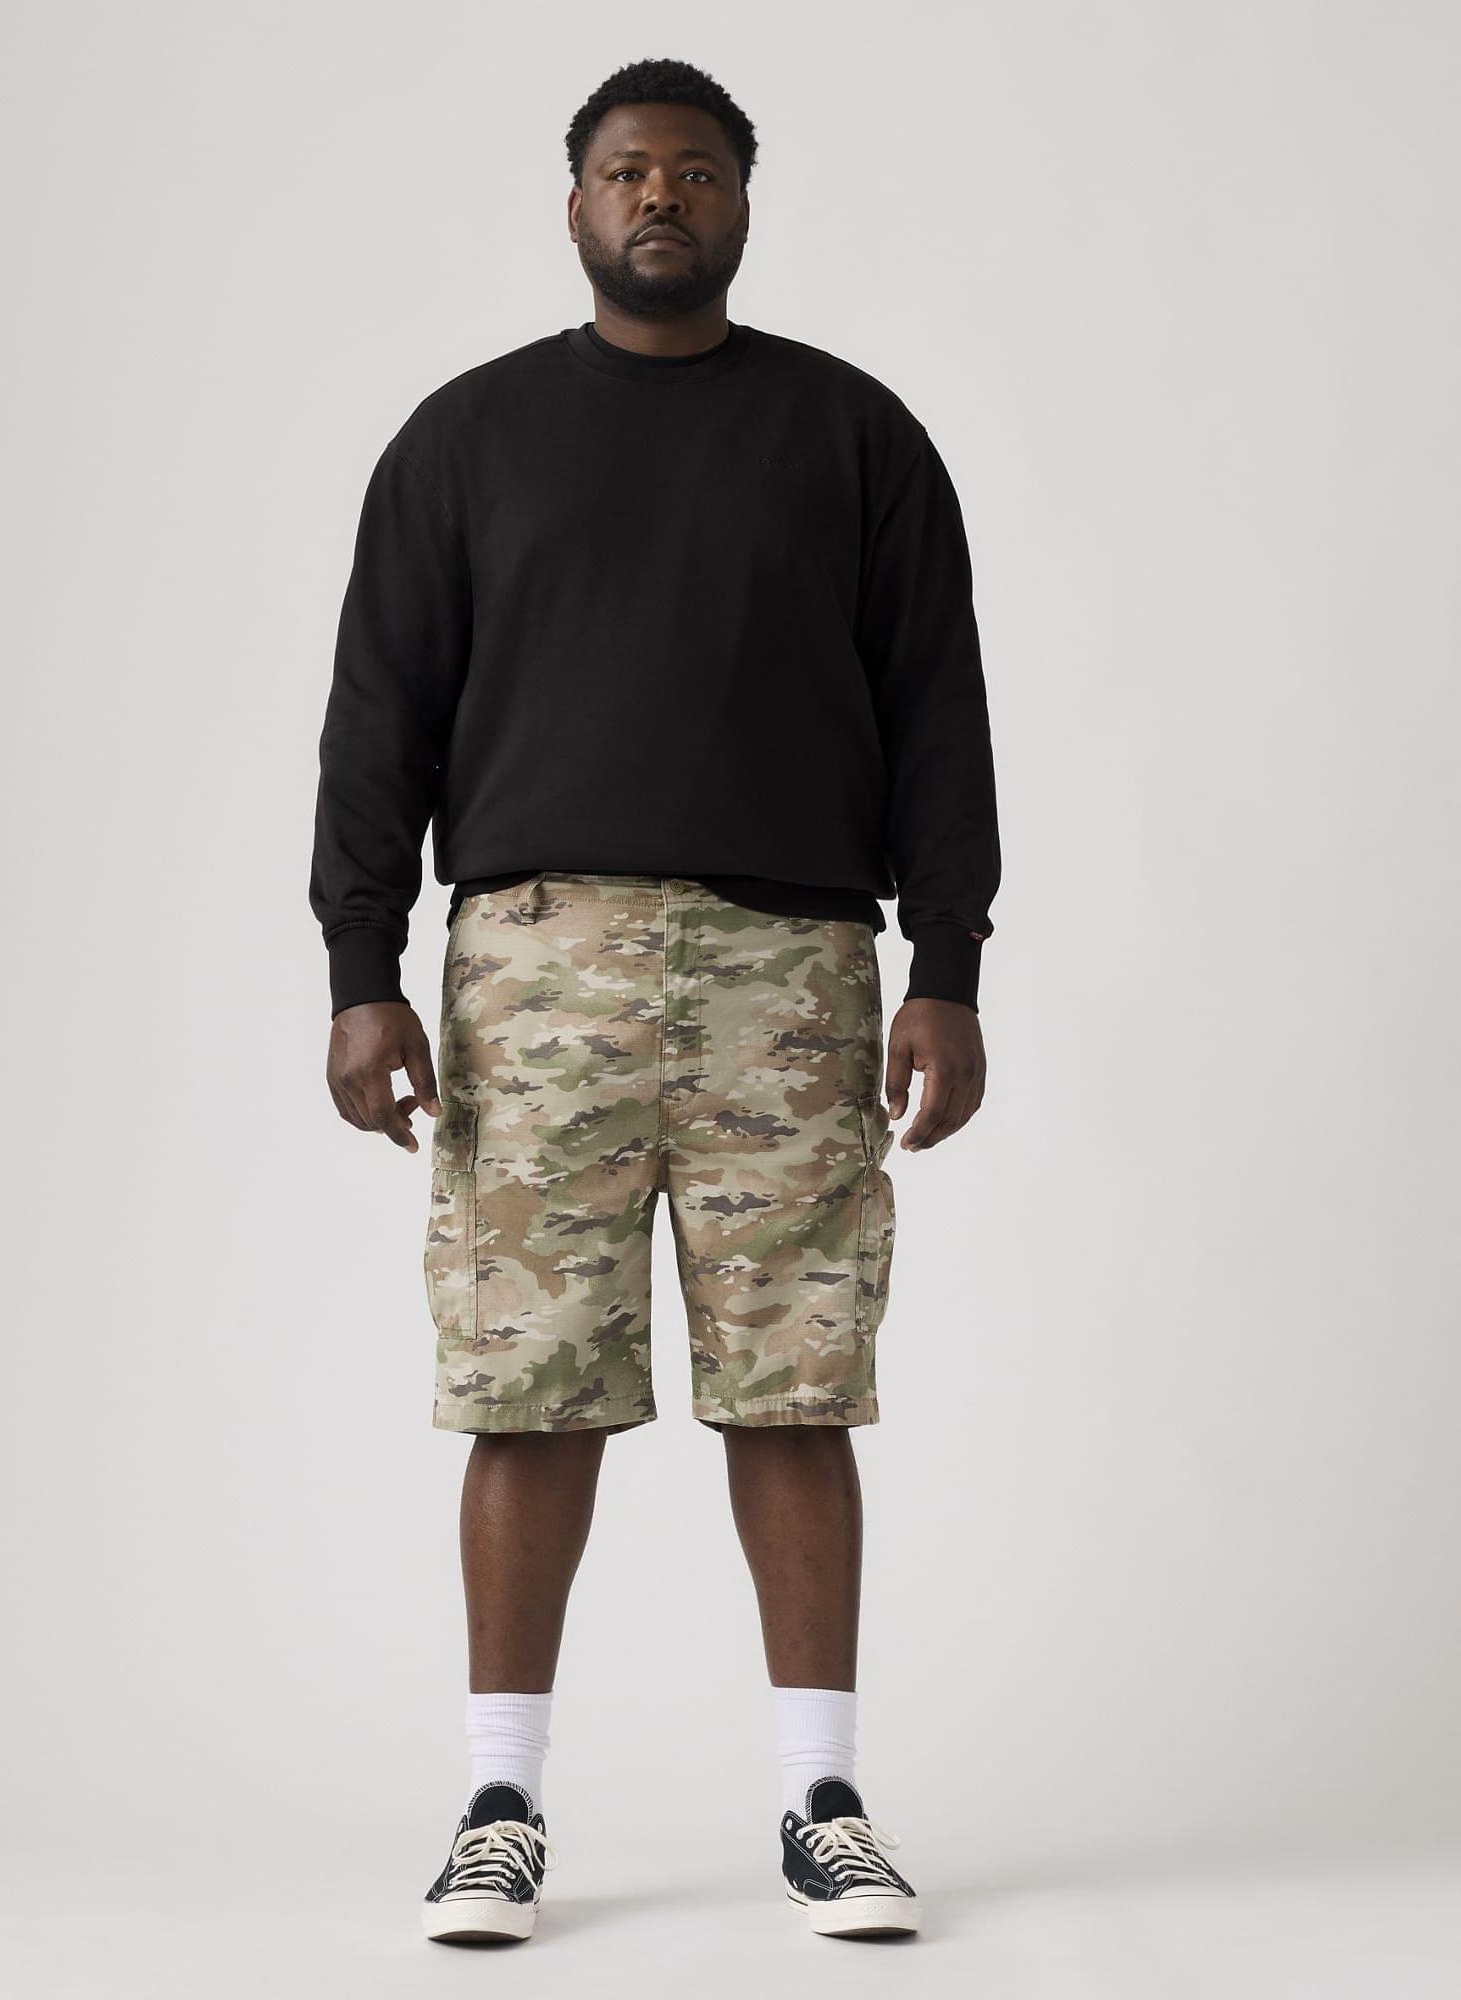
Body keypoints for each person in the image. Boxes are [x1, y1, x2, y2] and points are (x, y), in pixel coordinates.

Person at [310, 56, 1000, 1945]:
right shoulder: (466, 439)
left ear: (743, 203)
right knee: (526, 1390)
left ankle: (822, 1803)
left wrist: (945, 965)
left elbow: (937, 711)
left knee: (797, 1386)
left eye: (695, 171)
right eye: (626, 172)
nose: (660, 198)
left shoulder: (850, 434)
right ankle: (499, 1808)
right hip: (535, 963)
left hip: (795, 970)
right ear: (575, 206)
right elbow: (377, 719)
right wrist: (362, 973)